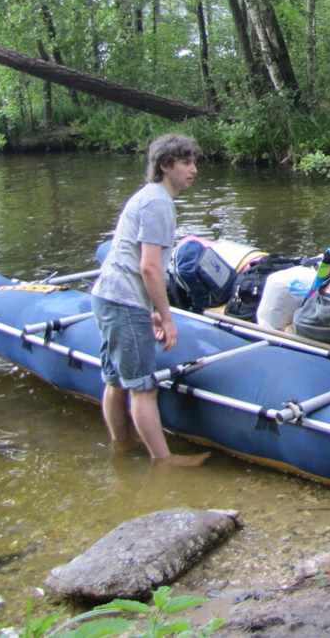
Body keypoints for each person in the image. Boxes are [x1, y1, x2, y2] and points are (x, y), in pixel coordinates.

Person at [91, 133, 210, 466]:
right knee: (144, 387)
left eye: (194, 162)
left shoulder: (148, 196)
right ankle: (164, 461)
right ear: (165, 166)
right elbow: (149, 267)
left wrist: (148, 310)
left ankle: (122, 444)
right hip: (123, 301)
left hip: (109, 297)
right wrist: (166, 316)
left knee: (116, 381)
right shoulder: (158, 203)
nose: (194, 169)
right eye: (186, 162)